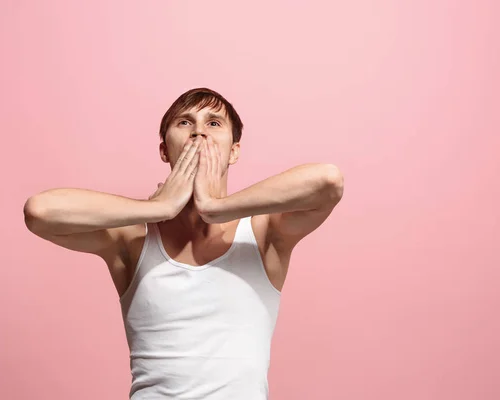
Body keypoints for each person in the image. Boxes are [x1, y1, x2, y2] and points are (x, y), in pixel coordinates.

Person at [23, 87, 344, 399]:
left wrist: (215, 207)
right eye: (185, 122)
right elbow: (40, 211)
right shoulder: (134, 238)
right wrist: (158, 208)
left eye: (214, 123)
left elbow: (327, 182)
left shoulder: (264, 235)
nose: (199, 132)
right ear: (164, 150)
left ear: (234, 150)